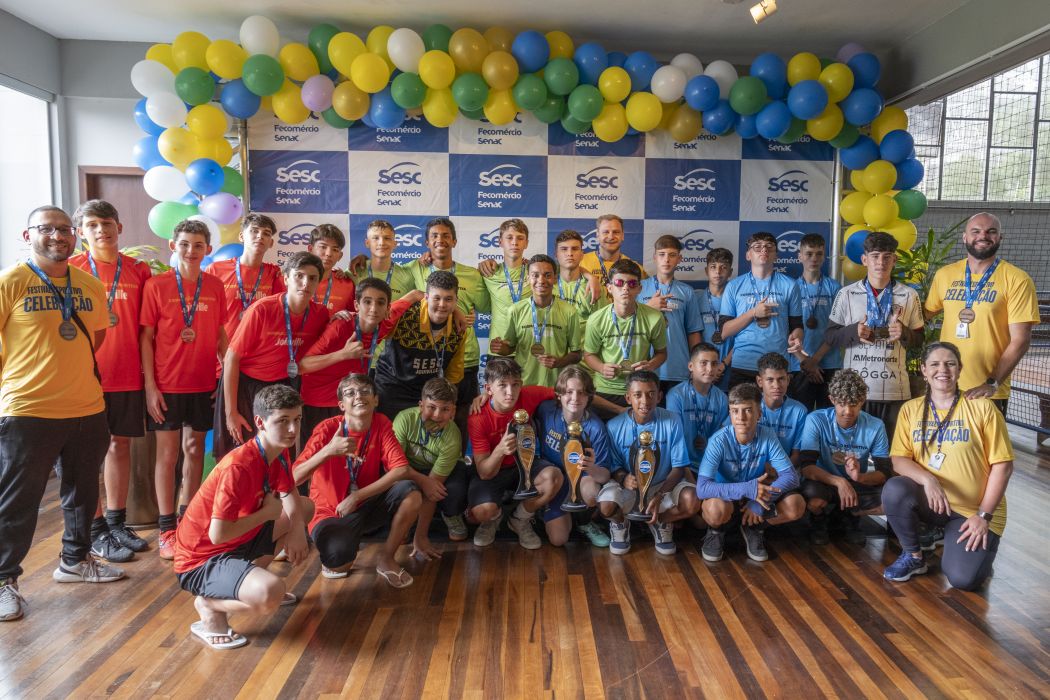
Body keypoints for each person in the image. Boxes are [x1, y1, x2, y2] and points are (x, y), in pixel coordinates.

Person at [0, 206, 123, 622]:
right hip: (28, 409)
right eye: (47, 229)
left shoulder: (89, 284)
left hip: (87, 406)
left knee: (82, 492)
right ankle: (2, 579)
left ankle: (75, 560)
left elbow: (97, 336)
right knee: (18, 500)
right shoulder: (10, 281)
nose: (58, 236)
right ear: (28, 234)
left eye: (65, 229)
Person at [173, 385, 312, 650]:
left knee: (303, 509)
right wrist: (266, 514)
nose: (292, 429)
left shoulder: (279, 449)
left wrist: (297, 530)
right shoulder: (238, 467)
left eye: (297, 419)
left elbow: (290, 491)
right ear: (260, 422)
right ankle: (209, 606)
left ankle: (247, 582)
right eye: (283, 421)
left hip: (237, 542)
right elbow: (218, 534)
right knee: (271, 594)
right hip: (200, 560)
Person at [882, 342, 1014, 590]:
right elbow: (899, 459)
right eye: (934, 364)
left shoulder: (982, 407)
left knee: (964, 579)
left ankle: (978, 550)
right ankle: (913, 556)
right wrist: (928, 479)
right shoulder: (911, 409)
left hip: (973, 511)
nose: (942, 370)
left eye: (950, 363)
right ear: (924, 370)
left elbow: (1003, 467)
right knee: (895, 489)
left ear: (959, 369)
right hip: (934, 502)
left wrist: (983, 516)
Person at [69, 200, 154, 561]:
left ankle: (117, 522)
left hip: (127, 374)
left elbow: (148, 329)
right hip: (83, 377)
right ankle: (96, 528)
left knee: (120, 447)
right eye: (92, 225)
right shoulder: (70, 269)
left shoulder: (139, 270)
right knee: (87, 454)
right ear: (81, 233)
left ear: (119, 227)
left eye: (106, 223)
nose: (101, 230)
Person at [141, 219, 228, 560]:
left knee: (194, 450)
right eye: (185, 244)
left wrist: (227, 374)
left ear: (208, 249)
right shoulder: (157, 285)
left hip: (204, 382)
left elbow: (220, 334)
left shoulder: (215, 285)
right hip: (167, 384)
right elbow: (146, 338)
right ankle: (166, 529)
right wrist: (150, 387)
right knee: (168, 455)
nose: (191, 250)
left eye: (198, 245)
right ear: (172, 246)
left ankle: (187, 520)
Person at [294, 374, 432, 586]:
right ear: (341, 405)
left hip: (364, 503)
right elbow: (294, 478)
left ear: (375, 400)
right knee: (339, 564)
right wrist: (328, 451)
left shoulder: (381, 422)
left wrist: (357, 496)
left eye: (365, 391)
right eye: (350, 393)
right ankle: (343, 545)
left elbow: (401, 469)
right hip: (329, 512)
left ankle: (387, 558)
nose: (358, 396)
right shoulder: (327, 429)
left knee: (411, 492)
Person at [925, 212, 1040, 414]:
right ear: (965, 237)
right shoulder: (945, 274)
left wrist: (992, 382)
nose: (983, 236)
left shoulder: (1017, 279)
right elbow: (923, 315)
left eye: (991, 231)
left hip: (986, 392)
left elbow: (1021, 340)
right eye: (976, 231)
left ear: (1000, 238)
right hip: (944, 386)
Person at [217, 252, 329, 460]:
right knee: (240, 453)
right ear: (286, 279)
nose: (306, 283)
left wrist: (343, 315)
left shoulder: (320, 314)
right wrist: (231, 412)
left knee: (280, 453)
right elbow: (231, 358)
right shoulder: (262, 309)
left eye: (312, 278)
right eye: (299, 276)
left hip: (284, 385)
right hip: (246, 386)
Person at [825, 231, 925, 441]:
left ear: (894, 260)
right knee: (854, 450)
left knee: (890, 451)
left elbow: (919, 340)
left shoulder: (909, 295)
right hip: (854, 391)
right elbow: (830, 337)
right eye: (875, 256)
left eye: (887, 257)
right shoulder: (846, 294)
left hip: (894, 390)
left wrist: (904, 333)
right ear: (864, 260)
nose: (881, 262)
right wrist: (853, 331)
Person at [299, 279, 421, 441]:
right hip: (319, 401)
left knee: (350, 451)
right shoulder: (340, 326)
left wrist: (453, 309)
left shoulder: (385, 323)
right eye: (367, 302)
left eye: (380, 303)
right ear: (356, 305)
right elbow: (302, 365)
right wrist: (343, 354)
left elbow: (415, 295)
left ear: (387, 308)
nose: (373, 309)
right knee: (317, 452)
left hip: (351, 400)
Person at [696, 383, 804, 562]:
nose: (741, 417)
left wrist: (759, 502)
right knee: (715, 509)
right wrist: (748, 488)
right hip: (726, 498)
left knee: (796, 505)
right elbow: (702, 488)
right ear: (730, 414)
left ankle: (753, 528)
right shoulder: (718, 440)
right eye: (735, 411)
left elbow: (791, 477)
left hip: (756, 497)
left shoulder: (767, 435)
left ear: (759, 414)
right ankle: (716, 531)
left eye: (747, 410)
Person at [405, 218, 490, 440]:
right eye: (434, 236)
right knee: (425, 417)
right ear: (426, 242)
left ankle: (457, 458)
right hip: (425, 358)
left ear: (454, 241)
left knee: (462, 418)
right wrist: (360, 261)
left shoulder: (472, 274)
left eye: (445, 235)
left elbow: (487, 306)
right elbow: (384, 270)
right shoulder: (415, 268)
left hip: (465, 357)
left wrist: (495, 264)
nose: (440, 240)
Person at [467, 357, 561, 549]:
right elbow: (484, 472)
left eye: (515, 384)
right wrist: (500, 450)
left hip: (525, 463)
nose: (510, 392)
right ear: (489, 388)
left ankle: (520, 519)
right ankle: (493, 519)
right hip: (495, 470)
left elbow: (566, 393)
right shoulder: (478, 417)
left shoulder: (528, 395)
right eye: (502, 385)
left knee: (554, 478)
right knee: (480, 512)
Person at [601, 370, 699, 555]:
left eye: (651, 394)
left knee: (692, 500)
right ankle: (620, 523)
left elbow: (679, 467)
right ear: (628, 398)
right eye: (638, 395)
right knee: (606, 506)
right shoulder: (613, 426)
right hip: (630, 487)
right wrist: (623, 478)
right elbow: (613, 466)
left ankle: (660, 521)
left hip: (663, 484)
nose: (645, 401)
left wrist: (660, 494)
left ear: (659, 396)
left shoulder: (672, 420)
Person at [798, 369, 891, 545]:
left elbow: (884, 472)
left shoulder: (876, 425)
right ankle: (819, 520)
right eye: (842, 403)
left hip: (857, 481)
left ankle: (850, 516)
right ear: (832, 400)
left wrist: (859, 477)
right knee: (812, 495)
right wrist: (840, 482)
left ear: (862, 400)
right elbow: (807, 467)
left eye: (854, 404)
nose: (848, 411)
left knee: (891, 499)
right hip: (824, 481)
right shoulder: (816, 420)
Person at [532, 366, 615, 548]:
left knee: (592, 492)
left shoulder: (596, 428)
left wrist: (591, 468)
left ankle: (584, 521)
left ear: (589, 396)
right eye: (569, 392)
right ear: (559, 395)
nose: (575, 398)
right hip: (555, 480)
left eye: (581, 392)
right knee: (558, 539)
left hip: (581, 479)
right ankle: (546, 510)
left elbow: (604, 476)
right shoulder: (546, 410)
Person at [373, 270, 468, 420]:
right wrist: (412, 295)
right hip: (392, 388)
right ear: (426, 297)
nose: (442, 305)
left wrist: (448, 403)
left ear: (456, 300)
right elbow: (376, 323)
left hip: (427, 394)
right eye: (437, 298)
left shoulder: (459, 327)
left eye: (448, 299)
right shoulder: (404, 315)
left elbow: (453, 373)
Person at [718, 232, 804, 389]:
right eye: (757, 247)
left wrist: (797, 338)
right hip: (743, 364)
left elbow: (797, 326)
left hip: (777, 367)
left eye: (769, 247)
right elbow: (724, 331)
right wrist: (753, 313)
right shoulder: (734, 286)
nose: (764, 250)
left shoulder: (790, 285)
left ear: (776, 255)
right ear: (748, 255)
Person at [583, 259, 667, 417]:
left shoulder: (655, 318)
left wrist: (650, 365)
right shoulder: (596, 320)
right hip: (606, 390)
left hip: (639, 389)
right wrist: (601, 367)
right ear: (609, 288)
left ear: (639, 288)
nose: (625, 288)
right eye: (619, 283)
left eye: (632, 284)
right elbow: (588, 355)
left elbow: (662, 353)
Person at [392, 378, 468, 555]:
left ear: (453, 411)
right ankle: (406, 519)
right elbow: (395, 467)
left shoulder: (452, 437)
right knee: (398, 486)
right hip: (408, 469)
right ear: (421, 405)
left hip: (439, 473)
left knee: (452, 491)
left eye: (445, 409)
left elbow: (432, 488)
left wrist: (421, 536)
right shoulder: (404, 419)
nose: (437, 415)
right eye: (431, 407)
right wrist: (420, 480)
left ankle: (451, 515)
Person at [489, 254, 581, 388]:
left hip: (556, 387)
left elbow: (577, 354)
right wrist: (501, 349)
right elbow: (510, 347)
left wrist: (559, 362)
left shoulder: (569, 311)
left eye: (547, 275)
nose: (541, 280)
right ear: (528, 279)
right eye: (535, 275)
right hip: (523, 385)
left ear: (555, 278)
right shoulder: (515, 310)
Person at [638, 235, 704, 397]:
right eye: (662, 254)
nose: (666, 260)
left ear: (679, 259)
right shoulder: (639, 288)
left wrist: (696, 365)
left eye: (672, 255)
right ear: (654, 257)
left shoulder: (686, 291)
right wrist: (648, 308)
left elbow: (693, 332)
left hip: (678, 367)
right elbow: (627, 323)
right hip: (646, 366)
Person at [206, 213, 285, 342]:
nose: (260, 236)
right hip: (223, 346)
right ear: (242, 236)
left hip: (257, 348)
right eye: (254, 231)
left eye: (266, 233)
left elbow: (278, 313)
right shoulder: (215, 270)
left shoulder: (274, 273)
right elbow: (206, 312)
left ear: (271, 243)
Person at [788, 234, 841, 410]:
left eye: (819, 254)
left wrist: (815, 360)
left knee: (830, 415)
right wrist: (805, 361)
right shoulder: (791, 288)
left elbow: (838, 329)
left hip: (830, 363)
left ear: (824, 256)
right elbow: (786, 330)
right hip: (799, 365)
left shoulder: (834, 287)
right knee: (801, 415)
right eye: (809, 254)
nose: (814, 259)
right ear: (799, 256)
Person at [665, 343, 730, 480]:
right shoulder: (676, 395)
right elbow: (674, 440)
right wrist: (690, 479)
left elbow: (721, 438)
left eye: (714, 364)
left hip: (710, 466)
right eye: (703, 363)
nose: (710, 369)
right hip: (680, 466)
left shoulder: (722, 399)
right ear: (691, 366)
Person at [479, 218, 533, 340]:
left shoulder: (536, 273)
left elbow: (565, 269)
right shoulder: (489, 272)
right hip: (498, 345)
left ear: (526, 243)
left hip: (528, 345)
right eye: (509, 237)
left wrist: (587, 275)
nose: (514, 242)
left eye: (520, 238)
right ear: (500, 242)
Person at [754, 352, 808, 468]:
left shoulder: (799, 411)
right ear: (760, 381)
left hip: (786, 470)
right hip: (754, 469)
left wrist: (780, 473)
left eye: (781, 379)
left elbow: (796, 455)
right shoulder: (750, 406)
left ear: (788, 380)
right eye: (770, 380)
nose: (777, 386)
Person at [694, 248, 734, 392]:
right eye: (713, 267)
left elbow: (743, 337)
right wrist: (705, 365)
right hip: (702, 370)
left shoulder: (737, 299)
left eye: (723, 267)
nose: (718, 272)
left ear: (730, 272)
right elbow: (691, 335)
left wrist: (723, 364)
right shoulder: (695, 298)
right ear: (706, 271)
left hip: (730, 367)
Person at [579, 213, 645, 299]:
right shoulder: (580, 262)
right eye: (606, 232)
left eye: (616, 232)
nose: (611, 236)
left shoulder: (635, 268)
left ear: (622, 235)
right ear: (597, 235)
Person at [349, 219, 416, 302]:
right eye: (375, 238)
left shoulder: (407, 277)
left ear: (395, 244)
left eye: (387, 238)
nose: (381, 243)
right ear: (367, 243)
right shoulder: (354, 271)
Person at [553, 229, 603, 329]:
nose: (569, 253)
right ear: (556, 255)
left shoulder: (593, 287)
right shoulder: (547, 284)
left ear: (582, 255)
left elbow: (601, 326)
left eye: (575, 249)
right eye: (564, 249)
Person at [306, 224, 355, 315]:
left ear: (340, 256)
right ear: (310, 249)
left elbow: (352, 318)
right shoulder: (292, 280)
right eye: (323, 247)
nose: (328, 254)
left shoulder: (348, 285)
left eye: (335, 250)